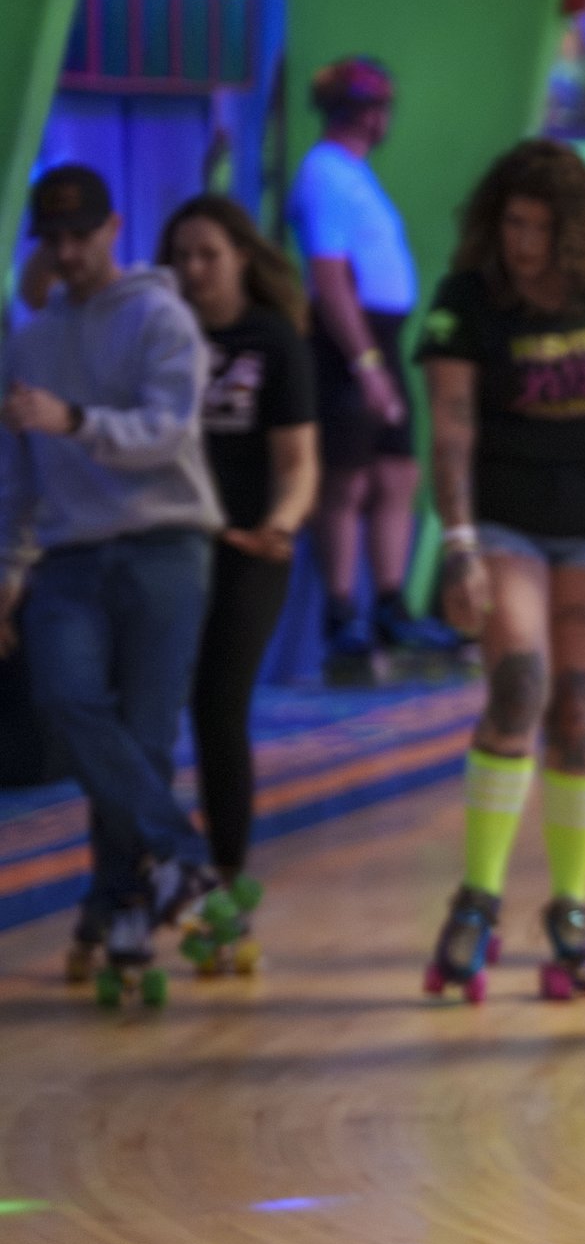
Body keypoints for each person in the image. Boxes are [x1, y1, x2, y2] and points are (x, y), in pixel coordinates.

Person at [413, 141, 585, 1004]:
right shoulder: (469, 297)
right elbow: (452, 428)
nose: (523, 244)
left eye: (541, 228)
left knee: (578, 708)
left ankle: (570, 907)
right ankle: (478, 897)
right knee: (519, 688)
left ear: (576, 230)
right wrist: (459, 544)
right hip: (508, 519)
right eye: (512, 224)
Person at [0, 165, 227, 988]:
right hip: (69, 557)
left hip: (166, 544)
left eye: (80, 235)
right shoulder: (30, 342)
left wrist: (76, 420)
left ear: (113, 229)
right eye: (53, 239)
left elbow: (165, 432)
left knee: (143, 736)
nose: (67, 252)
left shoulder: (162, 318)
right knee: (65, 700)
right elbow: (17, 473)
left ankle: (121, 901)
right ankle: (182, 858)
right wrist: (7, 567)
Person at [160, 196, 320, 952]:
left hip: (249, 545)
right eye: (181, 256)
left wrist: (280, 524)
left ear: (242, 260)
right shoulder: (159, 333)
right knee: (147, 712)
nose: (194, 270)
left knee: (219, 706)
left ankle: (227, 880)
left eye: (208, 255)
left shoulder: (273, 340)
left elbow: (299, 460)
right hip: (168, 542)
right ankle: (140, 879)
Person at [287, 56, 457, 681]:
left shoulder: (353, 174)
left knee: (397, 473)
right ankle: (342, 614)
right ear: (363, 113)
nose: (385, 119)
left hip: (380, 339)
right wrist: (364, 364)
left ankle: (390, 604)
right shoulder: (325, 174)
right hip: (349, 344)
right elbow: (330, 278)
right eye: (379, 107)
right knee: (346, 481)